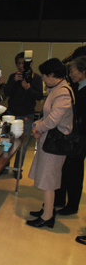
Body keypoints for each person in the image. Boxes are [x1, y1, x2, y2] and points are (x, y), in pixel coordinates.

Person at [27, 58, 73, 229]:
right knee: (46, 176)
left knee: (48, 179)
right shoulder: (57, 88)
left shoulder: (63, 92)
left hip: (56, 142)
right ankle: (47, 208)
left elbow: (53, 120)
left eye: (45, 76)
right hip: (50, 140)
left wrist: (37, 126)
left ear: (52, 75)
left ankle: (47, 217)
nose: (43, 79)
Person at [54, 56, 86, 216]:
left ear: (83, 72)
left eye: (72, 71)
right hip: (70, 134)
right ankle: (59, 198)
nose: (70, 74)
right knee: (64, 167)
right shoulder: (73, 86)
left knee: (75, 170)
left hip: (81, 137)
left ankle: (72, 205)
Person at [4, 52, 44, 179]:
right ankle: (4, 166)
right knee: (7, 142)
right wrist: (14, 81)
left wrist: (28, 88)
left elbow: (39, 96)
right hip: (11, 114)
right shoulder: (13, 76)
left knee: (23, 144)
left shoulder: (36, 78)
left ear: (30, 64)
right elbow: (6, 92)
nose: (21, 66)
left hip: (27, 115)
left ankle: (17, 169)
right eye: (19, 63)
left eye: (23, 63)